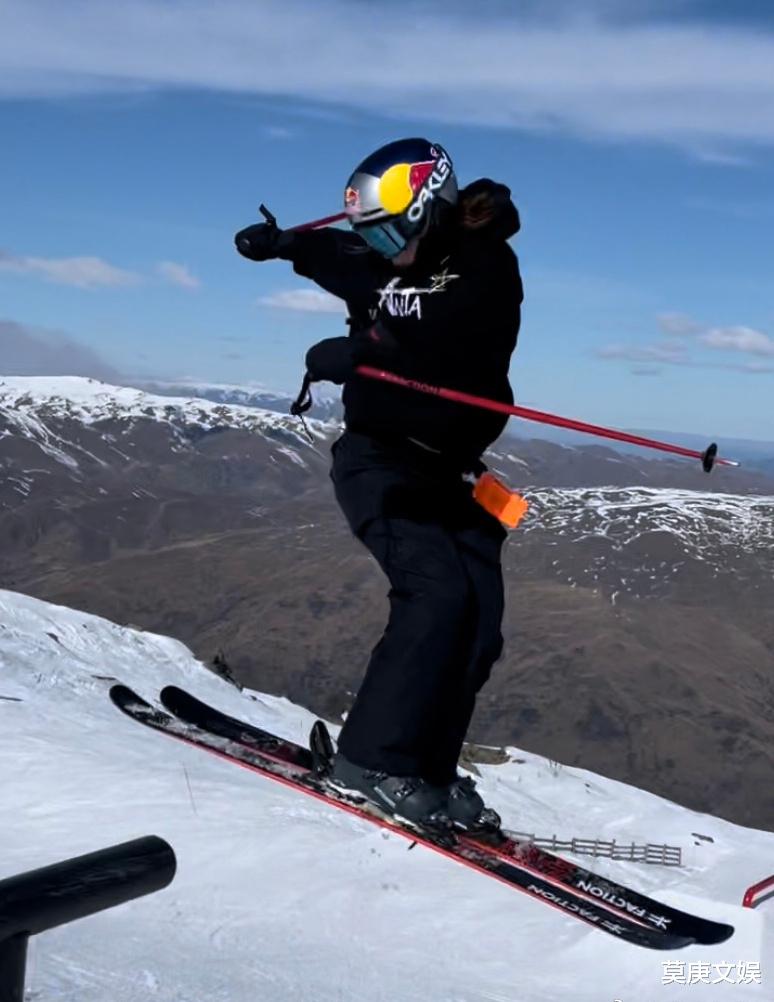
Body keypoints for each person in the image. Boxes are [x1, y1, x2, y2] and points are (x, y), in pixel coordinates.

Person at [235, 137, 523, 831]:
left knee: (478, 624)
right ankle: (371, 760)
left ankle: (425, 766)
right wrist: (286, 247)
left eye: (394, 228)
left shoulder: (484, 269)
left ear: (436, 210)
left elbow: (444, 330)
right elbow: (346, 260)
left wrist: (359, 354)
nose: (384, 246)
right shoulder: (396, 262)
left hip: (452, 475)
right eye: (374, 231)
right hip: (381, 462)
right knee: (436, 596)